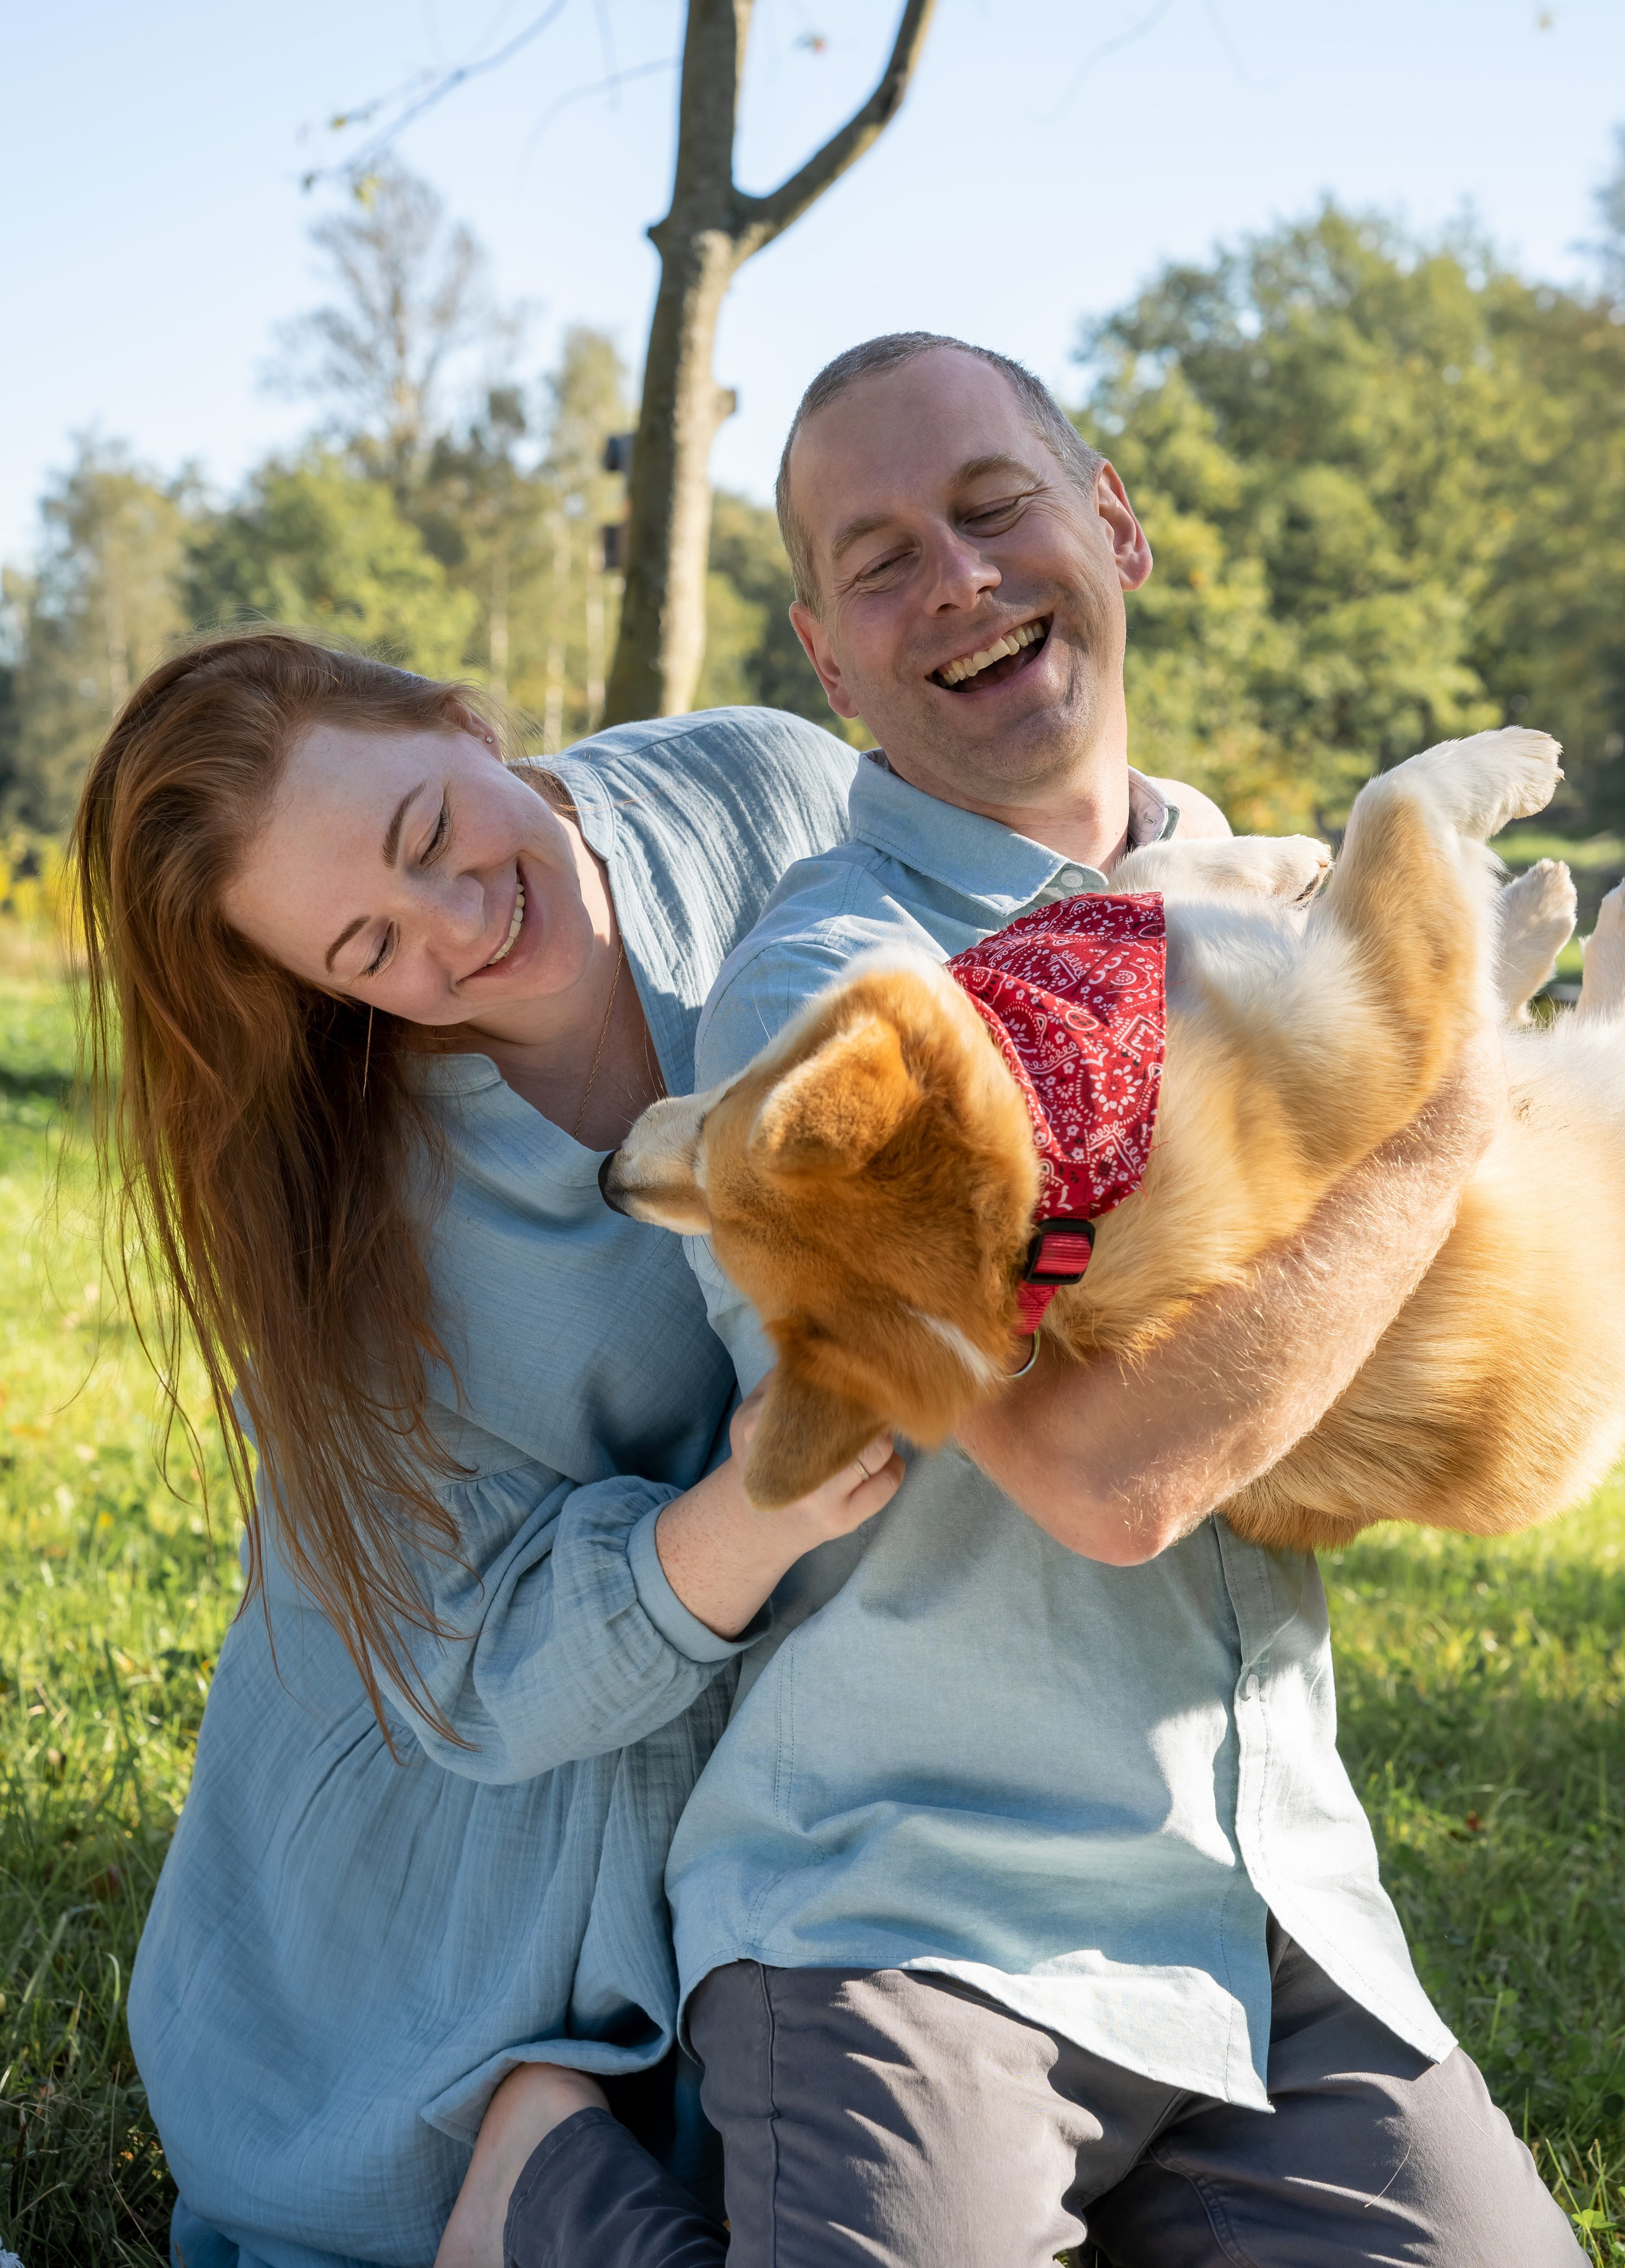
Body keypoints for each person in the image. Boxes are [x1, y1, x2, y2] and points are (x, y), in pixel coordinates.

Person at [477, 338, 1584, 2265]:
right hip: (914, 1912)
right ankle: (545, 2187)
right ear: (829, 661)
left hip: (1269, 1906)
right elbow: (1111, 1482)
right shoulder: (835, 1011)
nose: (964, 580)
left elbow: (1392, 1346)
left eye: (996, 509)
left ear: (1115, 529)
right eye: (884, 557)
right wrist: (1447, 1100)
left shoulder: (1264, 908)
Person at [79, 630, 904, 2268]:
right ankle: (524, 2142)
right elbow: (465, 1665)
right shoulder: (354, 1214)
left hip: (799, 1739)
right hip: (464, 1847)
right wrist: (750, 1513)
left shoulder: (757, 792)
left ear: (462, 719)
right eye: (371, 943)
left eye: (423, 832)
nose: (459, 925)